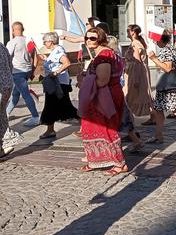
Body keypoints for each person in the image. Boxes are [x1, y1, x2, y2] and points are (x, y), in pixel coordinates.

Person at [78, 27, 128, 175]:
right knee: (91, 129)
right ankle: (95, 161)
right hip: (100, 96)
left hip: (104, 96)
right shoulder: (102, 54)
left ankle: (120, 164)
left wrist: (84, 81)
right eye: (87, 38)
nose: (88, 40)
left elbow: (103, 80)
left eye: (93, 38)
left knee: (107, 129)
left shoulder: (104, 56)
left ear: (100, 39)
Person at [37, 32, 79, 139]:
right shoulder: (56, 51)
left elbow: (67, 63)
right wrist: (46, 59)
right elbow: (56, 62)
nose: (44, 43)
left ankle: (85, 122)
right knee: (54, 106)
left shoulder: (58, 51)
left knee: (61, 106)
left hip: (58, 84)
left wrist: (56, 73)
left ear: (51, 42)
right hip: (56, 83)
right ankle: (50, 130)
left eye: (45, 41)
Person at [5, 22, 40, 126]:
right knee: (16, 94)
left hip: (17, 72)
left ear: (13, 30)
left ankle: (35, 117)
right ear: (22, 29)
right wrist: (32, 71)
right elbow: (35, 58)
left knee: (25, 94)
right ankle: (6, 113)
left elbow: (7, 57)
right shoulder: (28, 41)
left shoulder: (12, 42)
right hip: (27, 70)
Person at [124, 25, 152, 117]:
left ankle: (150, 115)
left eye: (128, 31)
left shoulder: (135, 43)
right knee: (139, 94)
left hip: (136, 71)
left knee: (135, 94)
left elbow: (137, 61)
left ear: (133, 32)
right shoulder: (137, 42)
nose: (127, 33)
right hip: (138, 70)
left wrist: (136, 78)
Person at [0, 42, 14, 157]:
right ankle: (2, 146)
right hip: (7, 85)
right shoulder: (2, 46)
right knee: (1, 114)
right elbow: (10, 65)